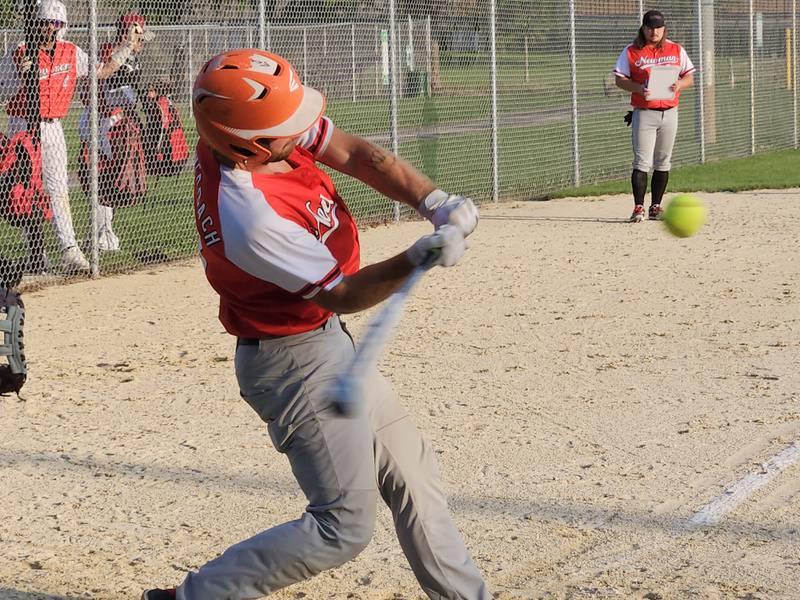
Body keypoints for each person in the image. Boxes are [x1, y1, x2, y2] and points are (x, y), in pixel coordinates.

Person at [142, 49, 488, 600]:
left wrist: (434, 200)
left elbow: (354, 153)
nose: (304, 130)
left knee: (413, 475)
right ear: (247, 143)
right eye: (288, 128)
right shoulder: (248, 214)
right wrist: (419, 255)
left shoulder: (251, 141)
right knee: (343, 526)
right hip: (292, 362)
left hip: (326, 344)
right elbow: (344, 294)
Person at [0, 0, 139, 271]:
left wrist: (127, 48)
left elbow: (102, 70)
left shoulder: (70, 51)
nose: (51, 29)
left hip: (54, 127)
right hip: (21, 125)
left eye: (57, 24)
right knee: (26, 191)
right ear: (35, 23)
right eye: (46, 23)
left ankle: (69, 249)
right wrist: (21, 76)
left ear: (63, 26)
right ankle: (35, 253)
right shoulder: (19, 52)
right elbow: (3, 91)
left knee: (58, 188)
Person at [78, 13, 154, 252]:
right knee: (104, 178)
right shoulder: (111, 50)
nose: (143, 43)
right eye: (139, 36)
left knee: (110, 178)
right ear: (128, 32)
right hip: (102, 121)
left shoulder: (128, 53)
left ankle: (103, 234)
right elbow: (108, 79)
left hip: (115, 121)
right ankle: (103, 235)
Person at [613, 9, 695, 223]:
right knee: (642, 161)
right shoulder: (632, 51)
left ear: (664, 28)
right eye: (650, 27)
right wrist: (639, 87)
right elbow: (620, 79)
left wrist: (679, 84)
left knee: (663, 161)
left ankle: (655, 207)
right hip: (645, 113)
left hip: (670, 112)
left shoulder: (676, 49)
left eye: (658, 27)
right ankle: (638, 207)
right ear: (643, 28)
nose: (654, 31)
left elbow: (689, 78)